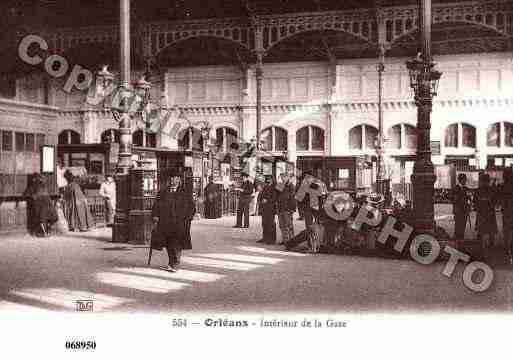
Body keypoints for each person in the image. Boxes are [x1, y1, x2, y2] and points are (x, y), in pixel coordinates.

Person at [152, 176, 196, 272]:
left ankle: (175, 264)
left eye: (175, 179)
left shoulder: (185, 192)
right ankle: (171, 262)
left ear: (179, 180)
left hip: (180, 223)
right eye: (171, 179)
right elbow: (156, 205)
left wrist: (188, 218)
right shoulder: (163, 192)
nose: (173, 181)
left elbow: (192, 207)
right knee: (168, 243)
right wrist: (155, 215)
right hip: (166, 222)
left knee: (177, 243)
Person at [474, 173, 498, 249]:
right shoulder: (492, 190)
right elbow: (495, 201)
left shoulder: (478, 190)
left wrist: (478, 206)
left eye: (485, 181)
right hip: (489, 212)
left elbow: (475, 201)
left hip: (483, 212)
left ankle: (481, 243)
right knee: (489, 230)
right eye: (485, 181)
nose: (485, 183)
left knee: (482, 229)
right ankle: (490, 244)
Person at [276, 172, 296, 246]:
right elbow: (276, 193)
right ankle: (285, 240)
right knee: (282, 225)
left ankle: (292, 241)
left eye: (283, 177)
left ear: (287, 177)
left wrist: (292, 209)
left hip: (287, 209)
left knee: (289, 225)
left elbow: (293, 198)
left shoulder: (291, 186)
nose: (282, 179)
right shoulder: (280, 185)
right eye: (281, 177)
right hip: (280, 208)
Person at [257, 175, 278, 244]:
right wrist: (261, 200)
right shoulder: (265, 186)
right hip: (264, 208)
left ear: (272, 180)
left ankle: (272, 239)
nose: (267, 181)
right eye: (267, 179)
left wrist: (267, 200)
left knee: (271, 223)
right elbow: (261, 195)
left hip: (271, 208)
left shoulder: (274, 187)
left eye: (269, 179)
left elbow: (275, 198)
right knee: (264, 223)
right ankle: (265, 237)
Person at [452, 173, 471, 241]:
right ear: (460, 180)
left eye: (465, 179)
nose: (465, 181)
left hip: (465, 210)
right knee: (458, 226)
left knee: (463, 226)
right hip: (458, 210)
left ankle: (461, 239)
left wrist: (469, 205)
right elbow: (454, 200)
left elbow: (469, 199)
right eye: (464, 179)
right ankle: (457, 240)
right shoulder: (455, 188)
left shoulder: (467, 189)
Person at [501, 168, 513, 264]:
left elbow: (503, 200)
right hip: (508, 211)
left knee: (507, 230)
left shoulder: (504, 186)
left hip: (507, 212)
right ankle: (508, 247)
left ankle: (507, 247)